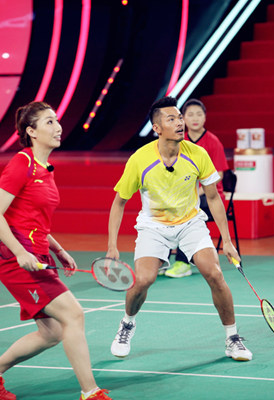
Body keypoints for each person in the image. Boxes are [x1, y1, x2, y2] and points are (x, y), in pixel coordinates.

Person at [0, 101, 112, 400]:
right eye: (49, 122)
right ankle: (90, 392)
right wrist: (20, 253)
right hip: (18, 261)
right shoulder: (21, 163)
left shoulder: (45, 169)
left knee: (52, 333)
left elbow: (33, 219)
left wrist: (58, 249)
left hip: (39, 255)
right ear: (31, 131)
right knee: (74, 315)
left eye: (56, 120)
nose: (57, 127)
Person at [106, 96, 252, 362]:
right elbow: (119, 202)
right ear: (157, 128)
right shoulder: (140, 159)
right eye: (171, 119)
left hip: (190, 223)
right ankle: (127, 324)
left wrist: (227, 241)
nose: (180, 122)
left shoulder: (197, 154)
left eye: (180, 117)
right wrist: (112, 246)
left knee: (214, 273)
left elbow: (214, 197)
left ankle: (232, 338)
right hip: (154, 226)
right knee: (143, 280)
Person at [164, 98, 229, 278]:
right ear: (183, 118)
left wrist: (194, 192)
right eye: (190, 115)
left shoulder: (213, 142)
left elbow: (219, 176)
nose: (195, 118)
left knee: (187, 212)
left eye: (199, 114)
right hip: (182, 194)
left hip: (209, 195)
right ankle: (162, 261)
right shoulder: (177, 141)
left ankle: (183, 263)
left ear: (205, 118)